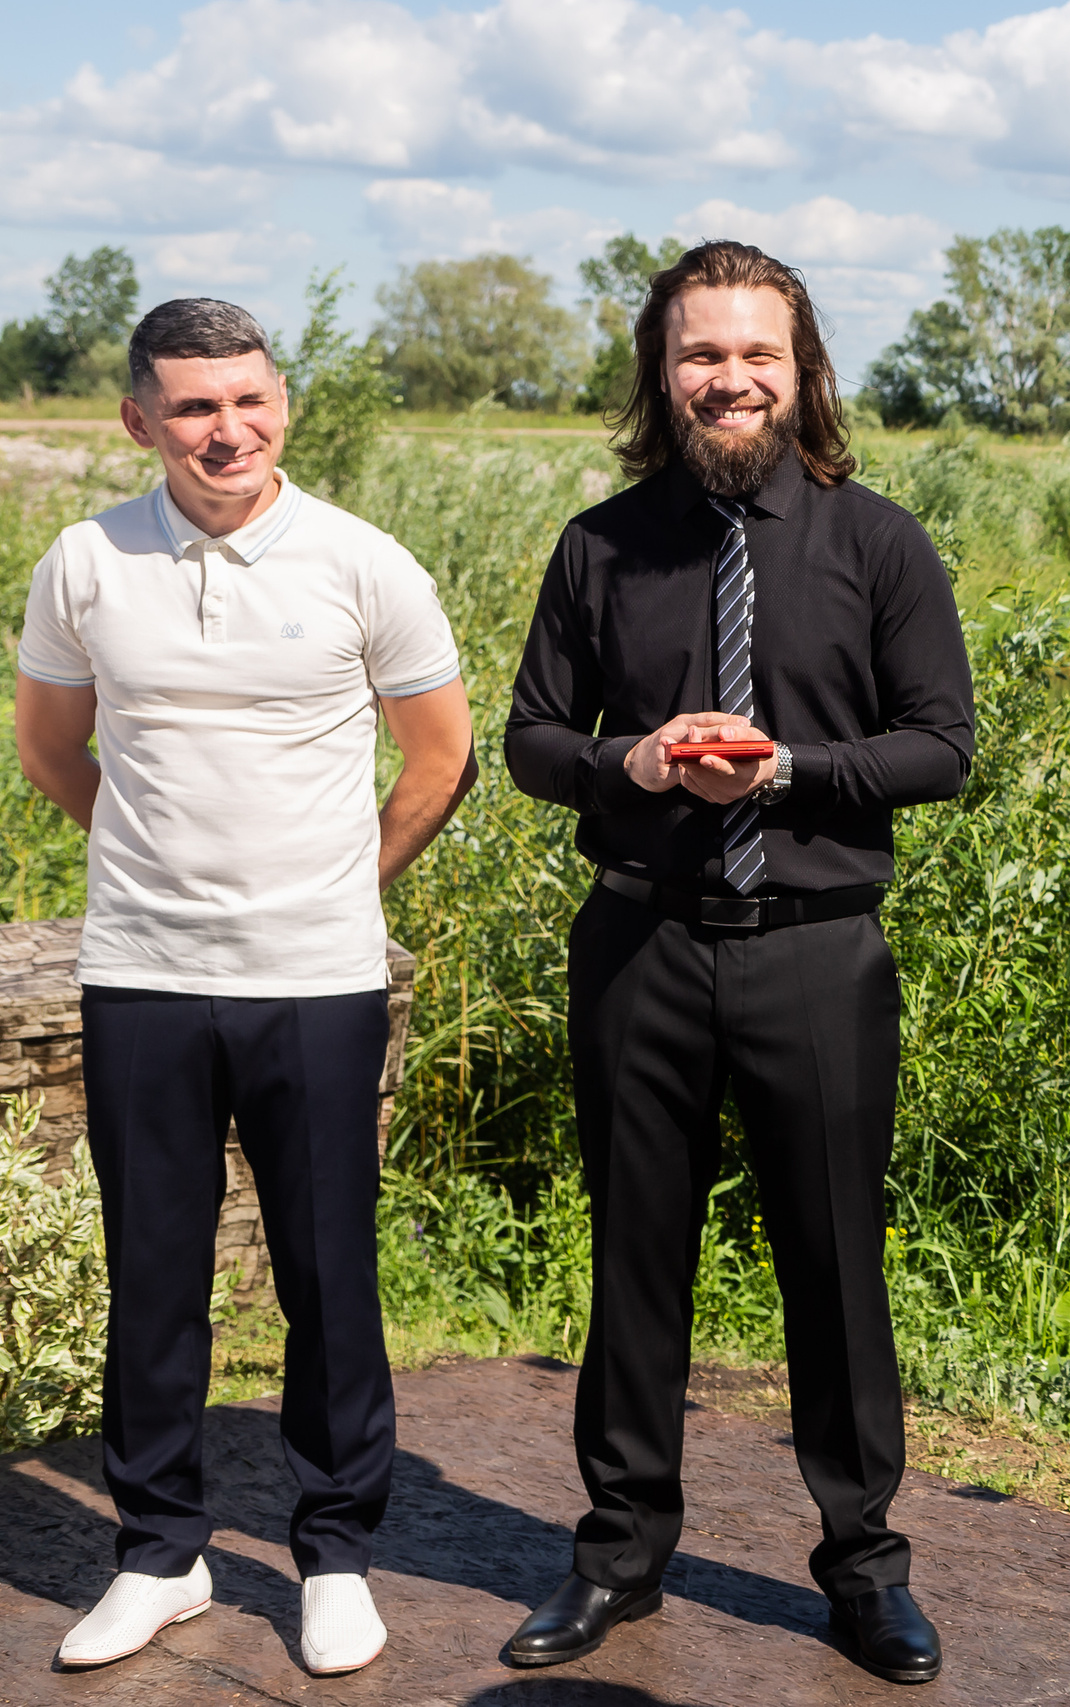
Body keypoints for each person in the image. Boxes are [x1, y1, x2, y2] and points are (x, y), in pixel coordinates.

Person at [501, 240, 972, 1684]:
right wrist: (632, 761)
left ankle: (862, 1566)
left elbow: (941, 747)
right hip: (640, 942)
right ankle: (619, 1556)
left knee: (834, 1266)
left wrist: (785, 774)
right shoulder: (600, 544)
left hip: (817, 953)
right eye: (703, 353)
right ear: (663, 368)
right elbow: (530, 742)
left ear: (801, 367)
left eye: (757, 353)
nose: (730, 379)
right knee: (636, 1260)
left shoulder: (878, 540)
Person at [16, 299, 477, 1677]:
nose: (229, 430)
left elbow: (440, 756)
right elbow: (52, 753)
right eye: (196, 406)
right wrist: (162, 873)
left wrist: (342, 886)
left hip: (316, 979)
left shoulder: (362, 562)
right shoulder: (85, 561)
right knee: (152, 1275)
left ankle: (336, 1553)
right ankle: (160, 1555)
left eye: (251, 400)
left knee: (329, 1271)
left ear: (286, 402)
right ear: (140, 420)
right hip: (142, 976)